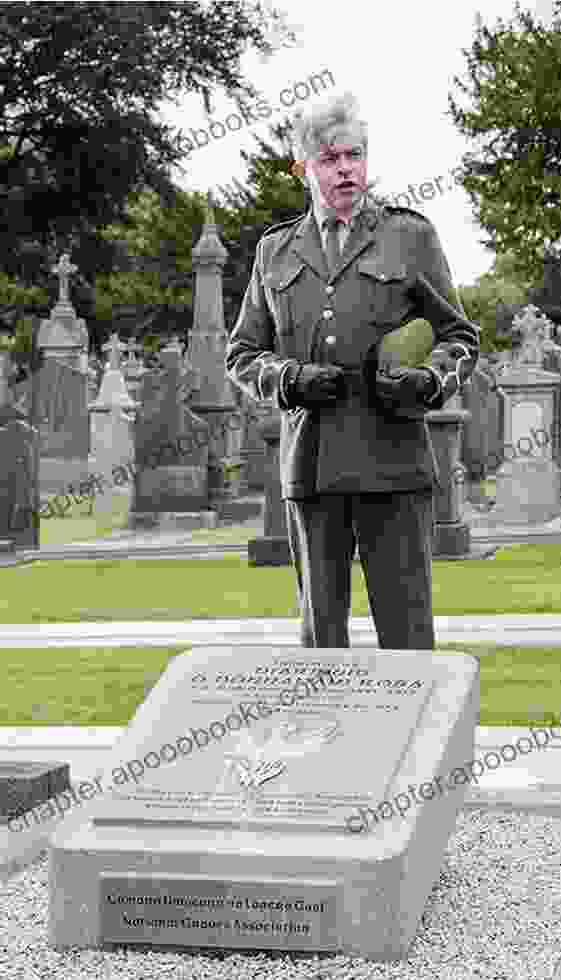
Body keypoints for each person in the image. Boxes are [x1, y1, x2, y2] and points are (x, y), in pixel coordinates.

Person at [226, 92, 480, 649]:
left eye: (355, 155)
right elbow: (242, 355)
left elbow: (460, 337)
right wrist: (288, 380)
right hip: (312, 467)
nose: (347, 169)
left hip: (395, 466)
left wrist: (430, 380)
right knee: (322, 645)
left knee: (408, 640)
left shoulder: (410, 236)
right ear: (305, 169)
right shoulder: (275, 251)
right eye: (332, 159)